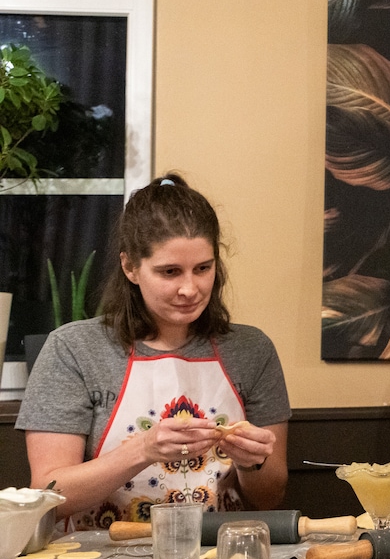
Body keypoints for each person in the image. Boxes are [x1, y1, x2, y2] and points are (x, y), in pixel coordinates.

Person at [17, 173, 291, 528]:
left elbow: (270, 497)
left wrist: (251, 463)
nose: (190, 288)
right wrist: (142, 450)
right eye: (170, 271)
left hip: (216, 557)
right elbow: (47, 498)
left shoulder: (252, 350)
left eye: (203, 268)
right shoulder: (73, 350)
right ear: (130, 267)